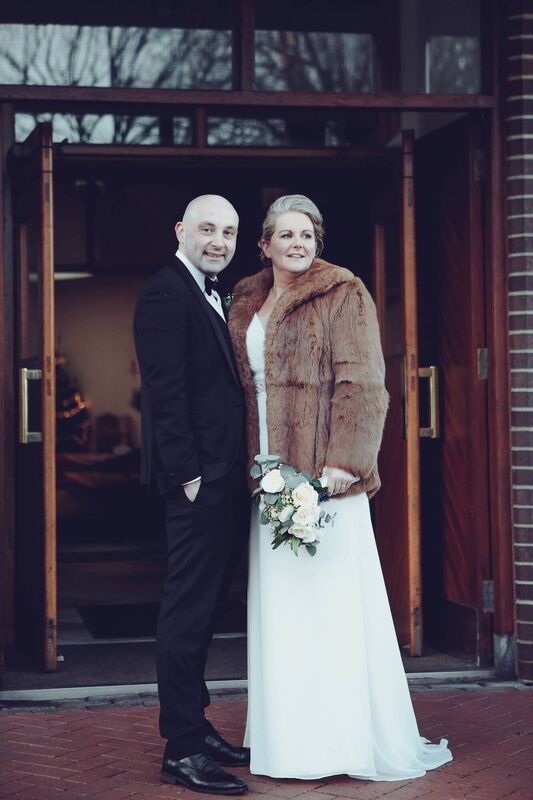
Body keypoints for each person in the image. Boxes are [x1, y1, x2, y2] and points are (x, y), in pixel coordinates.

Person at [228, 194, 453, 781]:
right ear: (265, 243)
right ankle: (288, 742)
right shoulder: (246, 298)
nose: (297, 244)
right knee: (282, 613)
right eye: (286, 235)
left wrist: (342, 465)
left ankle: (341, 742)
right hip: (268, 477)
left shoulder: (344, 292)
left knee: (329, 610)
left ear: (317, 242)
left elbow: (364, 381)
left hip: (324, 479)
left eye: (307, 235)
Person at [134, 194, 250, 795]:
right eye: (207, 228)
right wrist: (189, 476)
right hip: (196, 483)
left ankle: (196, 726)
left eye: (228, 232)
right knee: (185, 613)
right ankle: (180, 748)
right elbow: (165, 394)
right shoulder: (165, 293)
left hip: (222, 479)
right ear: (180, 228)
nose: (218, 241)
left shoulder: (206, 291)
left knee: (204, 611)